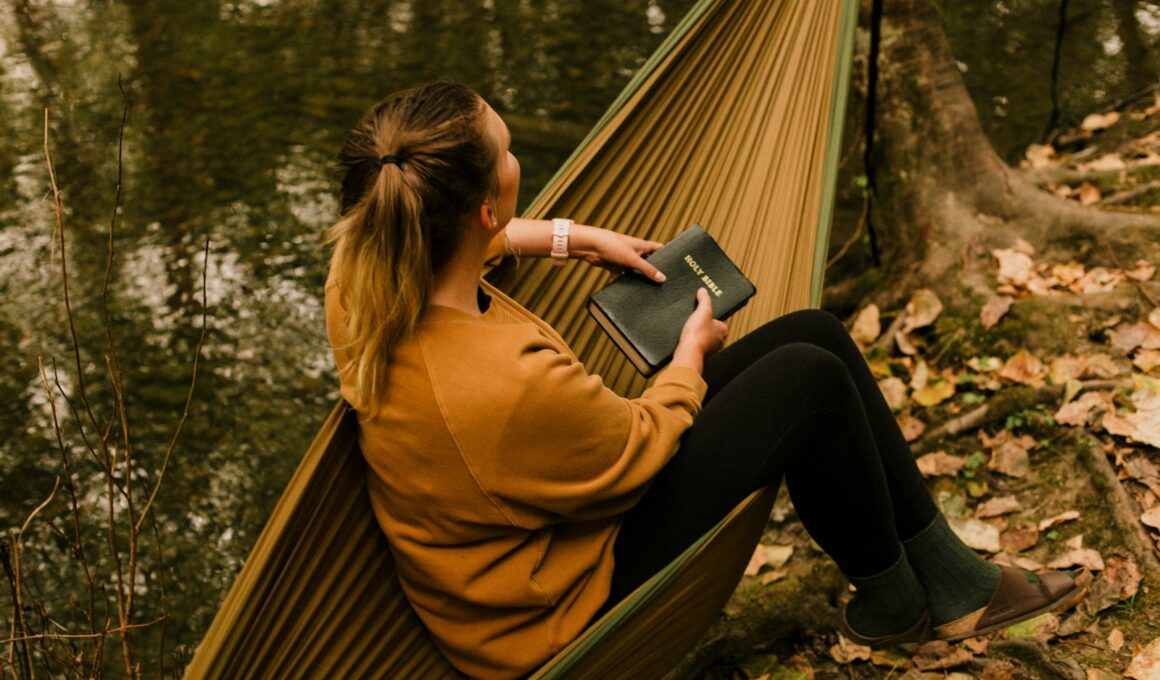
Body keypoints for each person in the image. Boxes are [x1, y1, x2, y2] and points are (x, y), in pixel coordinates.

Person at [323, 81, 1089, 679]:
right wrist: (689, 352)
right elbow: (638, 445)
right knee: (808, 381)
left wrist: (571, 238)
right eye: (509, 150)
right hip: (555, 601)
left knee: (814, 333)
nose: (519, 158)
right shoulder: (507, 384)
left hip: (528, 537)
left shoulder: (364, 283)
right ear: (482, 210)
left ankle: (945, 584)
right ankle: (900, 601)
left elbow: (465, 234)